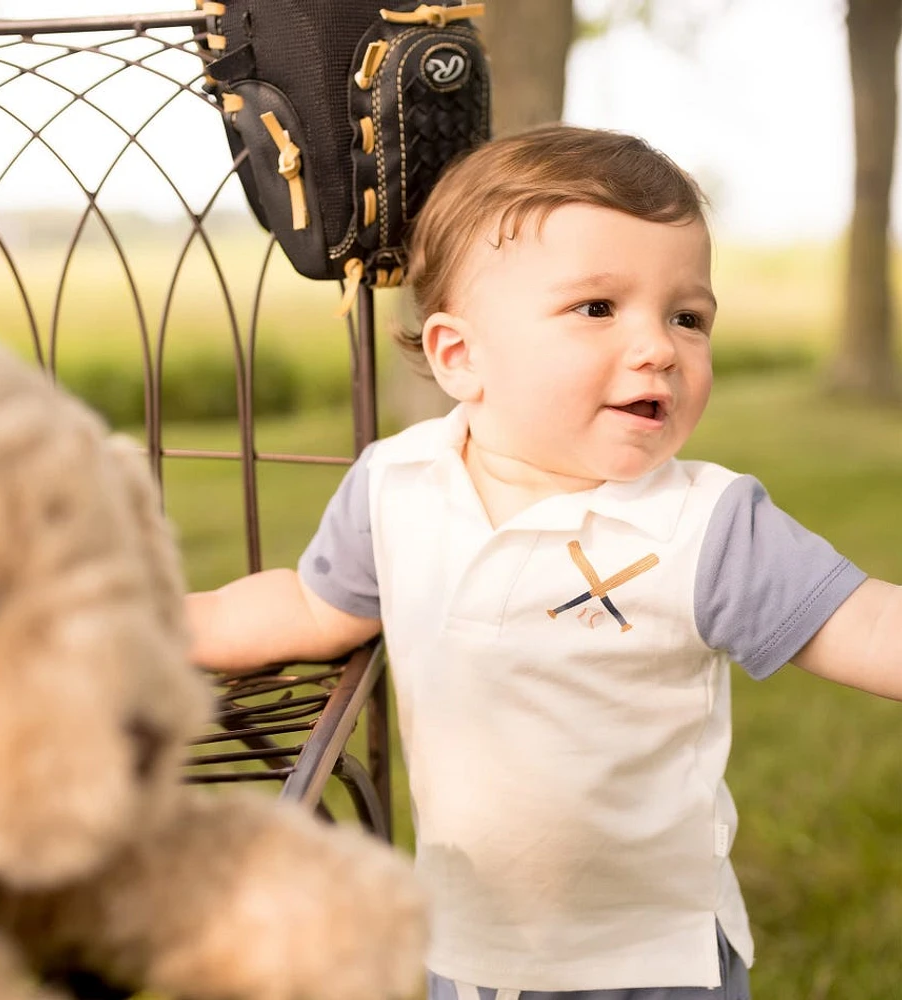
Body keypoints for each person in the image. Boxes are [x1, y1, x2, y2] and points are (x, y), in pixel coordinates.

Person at [185, 124, 901, 1000]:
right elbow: (309, 606)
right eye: (598, 309)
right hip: (475, 946)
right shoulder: (398, 487)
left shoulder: (704, 523)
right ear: (460, 356)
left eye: (688, 316)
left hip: (654, 957)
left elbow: (864, 622)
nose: (659, 347)